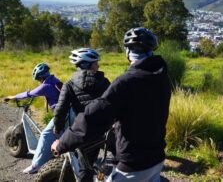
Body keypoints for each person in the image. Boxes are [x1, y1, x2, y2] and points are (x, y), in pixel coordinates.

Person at [52, 27, 172, 182]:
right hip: (156, 158)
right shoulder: (162, 78)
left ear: (128, 53)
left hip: (133, 166)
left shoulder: (125, 82)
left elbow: (94, 117)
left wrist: (62, 143)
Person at [53, 47, 111, 181]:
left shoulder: (69, 85)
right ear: (87, 64)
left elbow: (60, 110)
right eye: (96, 62)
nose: (98, 65)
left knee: (85, 166)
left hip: (83, 131)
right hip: (106, 131)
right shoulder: (105, 82)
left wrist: (57, 127)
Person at [4, 63, 63, 174]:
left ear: (40, 77)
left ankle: (35, 165)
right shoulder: (54, 80)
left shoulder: (46, 86)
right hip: (70, 112)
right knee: (58, 134)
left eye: (38, 80)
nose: (39, 82)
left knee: (45, 135)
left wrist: (13, 96)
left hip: (62, 114)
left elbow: (29, 94)